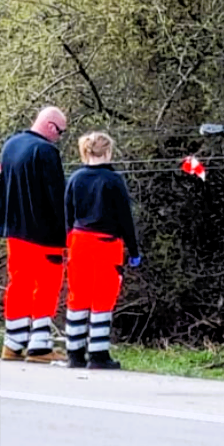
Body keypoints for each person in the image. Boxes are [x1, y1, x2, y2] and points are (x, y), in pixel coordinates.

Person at [61, 132, 141, 369]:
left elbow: (67, 215)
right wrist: (134, 249)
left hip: (78, 241)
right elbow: (125, 218)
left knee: (78, 296)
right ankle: (98, 354)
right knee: (103, 297)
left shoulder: (74, 179)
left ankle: (74, 352)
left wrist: (67, 242)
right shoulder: (113, 180)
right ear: (107, 151)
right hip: (106, 243)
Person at [1, 106, 68, 363]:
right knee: (47, 286)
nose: (59, 137)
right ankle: (39, 345)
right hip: (44, 233)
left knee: (18, 284)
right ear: (51, 127)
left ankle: (13, 342)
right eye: (60, 132)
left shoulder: (10, 145)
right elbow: (57, 196)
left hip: (14, 230)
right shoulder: (47, 151)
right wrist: (67, 230)